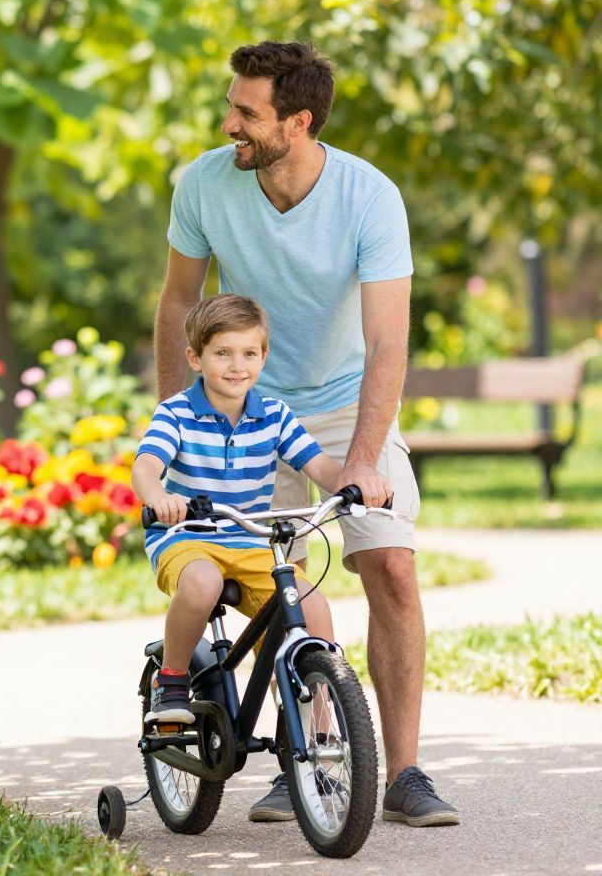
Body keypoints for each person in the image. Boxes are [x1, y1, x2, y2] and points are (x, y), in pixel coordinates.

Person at [154, 41, 457, 826]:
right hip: (242, 406)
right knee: (278, 581)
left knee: (389, 564)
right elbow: (175, 302)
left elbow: (389, 340)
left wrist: (363, 456)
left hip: (342, 406)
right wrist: (179, 428)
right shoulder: (205, 186)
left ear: (299, 120)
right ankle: (307, 759)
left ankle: (406, 774)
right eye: (231, 106)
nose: (229, 124)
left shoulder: (368, 196)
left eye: (246, 113)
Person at [133, 294, 344, 723]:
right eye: (223, 354)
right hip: (186, 537)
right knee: (202, 582)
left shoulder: (274, 415)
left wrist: (355, 485)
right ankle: (172, 680)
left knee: (311, 603)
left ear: (264, 357)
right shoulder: (175, 413)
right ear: (195, 358)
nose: (237, 366)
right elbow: (145, 467)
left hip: (248, 538)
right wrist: (159, 497)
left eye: (249, 353)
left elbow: (319, 465)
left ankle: (326, 724)